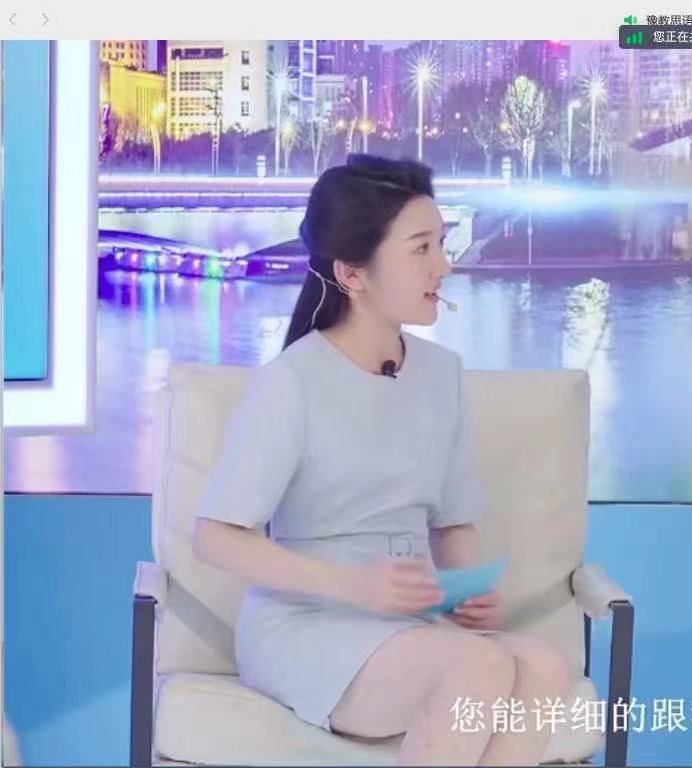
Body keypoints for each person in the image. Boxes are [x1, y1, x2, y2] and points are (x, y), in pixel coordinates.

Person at [193, 154, 572, 766]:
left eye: (441, 243)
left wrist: (470, 597)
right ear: (353, 273)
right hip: (306, 625)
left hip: (408, 624)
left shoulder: (443, 375)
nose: (443, 266)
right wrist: (352, 585)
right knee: (478, 668)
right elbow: (216, 537)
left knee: (544, 669)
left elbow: (453, 523)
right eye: (421, 248)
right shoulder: (293, 382)